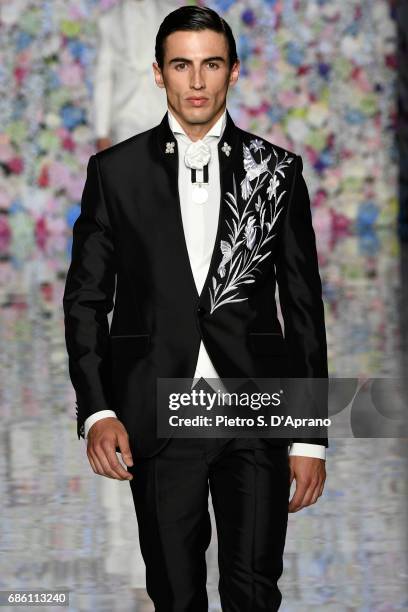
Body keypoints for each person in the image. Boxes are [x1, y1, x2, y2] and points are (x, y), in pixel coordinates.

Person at [63, 6, 328, 610]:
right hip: (158, 413)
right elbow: (85, 301)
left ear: (234, 71)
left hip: (255, 410)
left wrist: (310, 438)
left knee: (255, 593)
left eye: (211, 64)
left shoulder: (276, 171)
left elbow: (304, 307)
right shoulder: (115, 172)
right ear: (159, 73)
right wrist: (98, 408)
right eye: (182, 65)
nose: (198, 81)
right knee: (175, 596)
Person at [92, 0, 179, 151]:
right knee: (129, 172)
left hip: (167, 112)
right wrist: (102, 132)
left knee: (168, 173)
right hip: (125, 115)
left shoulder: (175, 15)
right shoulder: (108, 21)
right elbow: (104, 78)